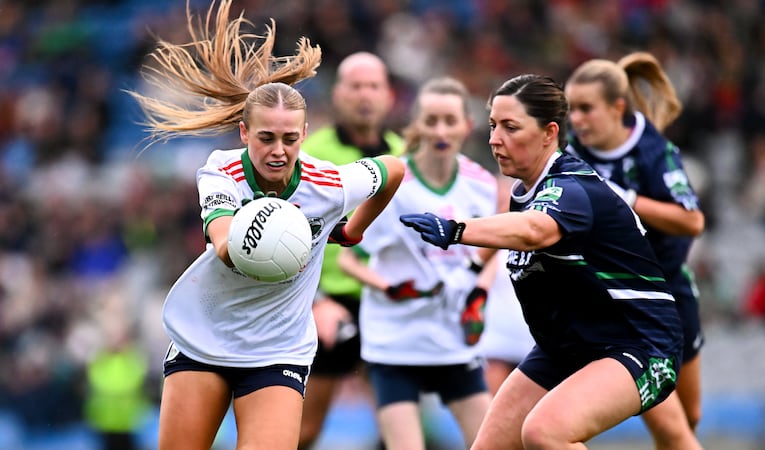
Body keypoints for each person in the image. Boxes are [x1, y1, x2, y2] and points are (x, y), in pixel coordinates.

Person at [127, 2, 404, 449]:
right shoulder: (221, 172)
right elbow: (222, 243)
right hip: (203, 340)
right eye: (266, 137)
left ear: (305, 132)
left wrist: (354, 230)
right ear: (243, 133)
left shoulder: (327, 183)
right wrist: (261, 233)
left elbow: (392, 169)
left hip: (278, 350)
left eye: (291, 138)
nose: (279, 150)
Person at [400, 74, 702, 450]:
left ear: (549, 133)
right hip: (566, 348)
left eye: (511, 127)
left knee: (545, 432)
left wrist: (455, 230)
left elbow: (534, 230)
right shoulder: (524, 192)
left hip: (640, 345)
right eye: (493, 126)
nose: (495, 139)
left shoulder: (573, 188)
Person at [337, 76, 495, 449]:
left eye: (450, 120)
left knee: (493, 442)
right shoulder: (393, 184)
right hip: (393, 340)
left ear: (466, 126)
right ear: (416, 124)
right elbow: (349, 261)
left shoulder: (482, 184)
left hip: (453, 338)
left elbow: (492, 248)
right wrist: (389, 287)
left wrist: (478, 293)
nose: (441, 130)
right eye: (431, 120)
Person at [563, 51, 707, 443]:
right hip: (622, 299)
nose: (575, 120)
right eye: (571, 109)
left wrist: (624, 198)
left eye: (586, 109)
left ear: (617, 107)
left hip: (672, 289)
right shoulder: (573, 154)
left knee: (689, 417)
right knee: (670, 425)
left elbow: (692, 220)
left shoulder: (653, 151)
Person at [298, 51, 405, 449]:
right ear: (338, 94)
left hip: (388, 303)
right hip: (330, 306)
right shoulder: (311, 155)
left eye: (373, 86)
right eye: (355, 86)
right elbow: (287, 236)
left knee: (400, 428)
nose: (365, 95)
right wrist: (316, 300)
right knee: (305, 430)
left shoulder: (403, 153)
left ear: (389, 95)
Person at [478, 177, 537, 396]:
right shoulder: (484, 243)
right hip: (495, 341)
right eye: (501, 198)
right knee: (493, 411)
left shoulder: (537, 239)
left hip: (532, 340)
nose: (507, 204)